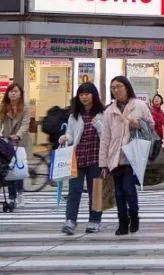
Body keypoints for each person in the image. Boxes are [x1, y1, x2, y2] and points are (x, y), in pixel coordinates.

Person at [99, 75, 152, 236]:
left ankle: (134, 216)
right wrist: (103, 163)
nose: (116, 90)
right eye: (113, 87)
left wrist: (139, 124)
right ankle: (123, 222)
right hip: (115, 156)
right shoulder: (109, 111)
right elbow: (105, 137)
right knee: (119, 193)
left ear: (127, 87)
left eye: (119, 86)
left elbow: (151, 126)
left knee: (129, 189)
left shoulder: (139, 105)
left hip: (133, 154)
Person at [58, 82, 106, 235]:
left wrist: (97, 124)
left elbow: (107, 135)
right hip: (77, 156)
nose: (84, 97)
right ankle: (70, 220)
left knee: (96, 191)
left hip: (96, 157)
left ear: (94, 95)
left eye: (87, 94)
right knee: (74, 190)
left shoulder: (102, 114)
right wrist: (65, 137)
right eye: (81, 94)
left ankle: (95, 220)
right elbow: (71, 134)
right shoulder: (74, 115)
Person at [0, 82, 29, 207]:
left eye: (16, 91)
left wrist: (18, 135)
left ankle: (20, 193)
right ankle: (11, 196)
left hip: (19, 142)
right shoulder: (3, 106)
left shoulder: (25, 107)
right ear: (7, 93)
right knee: (9, 169)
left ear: (20, 94)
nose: (13, 93)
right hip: (6, 141)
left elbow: (25, 124)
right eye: (11, 91)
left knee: (18, 168)